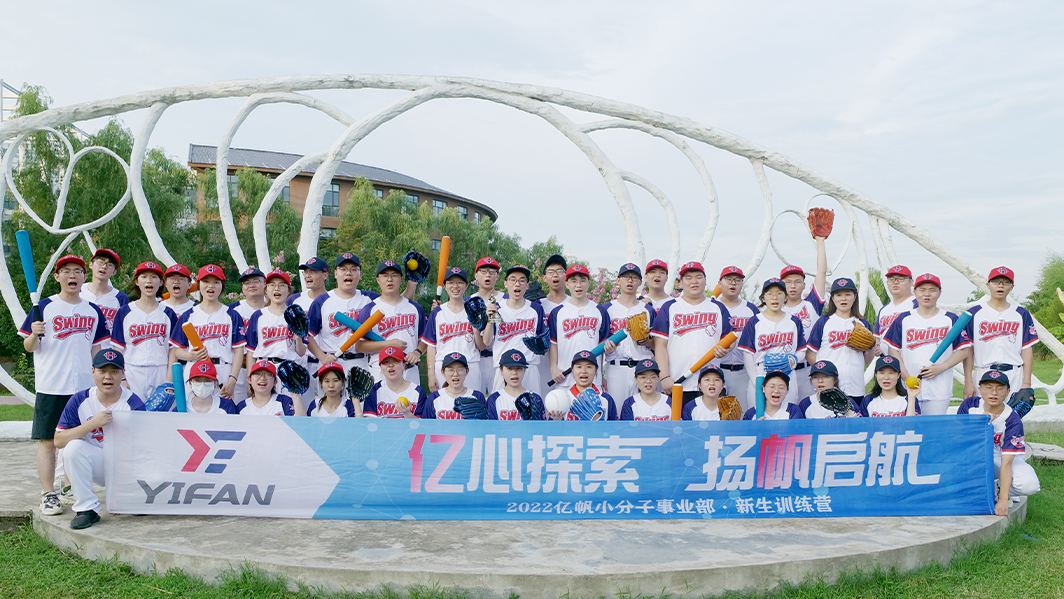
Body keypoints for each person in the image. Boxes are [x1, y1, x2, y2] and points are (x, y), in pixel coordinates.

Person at [19, 254, 109, 517]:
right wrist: (34, 334)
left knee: (77, 439)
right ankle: (48, 494)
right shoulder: (44, 307)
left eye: (78, 271)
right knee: (48, 440)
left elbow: (96, 349)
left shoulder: (92, 310)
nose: (73, 275)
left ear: (84, 277)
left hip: (82, 388)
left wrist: (100, 380)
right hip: (51, 385)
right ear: (57, 276)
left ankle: (70, 486)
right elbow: (28, 347)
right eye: (66, 271)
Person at [53, 349, 145, 529]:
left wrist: (119, 491)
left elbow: (143, 447)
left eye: (114, 371)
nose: (108, 377)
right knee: (73, 448)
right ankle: (87, 509)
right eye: (102, 371)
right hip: (98, 462)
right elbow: (59, 441)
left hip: (125, 465)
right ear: (93, 371)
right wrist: (91, 424)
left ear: (123, 373)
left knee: (139, 508)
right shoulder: (80, 399)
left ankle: (129, 495)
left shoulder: (133, 403)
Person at [885, 273, 971, 415]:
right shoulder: (904, 318)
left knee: (934, 426)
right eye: (922, 290)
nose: (927, 294)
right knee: (909, 425)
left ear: (939, 293)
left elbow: (963, 350)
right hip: (908, 386)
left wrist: (941, 367)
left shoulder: (950, 319)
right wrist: (906, 377)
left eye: (932, 290)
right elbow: (893, 350)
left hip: (939, 387)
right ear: (915, 292)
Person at [958, 369, 1040, 516]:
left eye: (999, 388)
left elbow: (1006, 462)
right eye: (989, 387)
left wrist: (1003, 499)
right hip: (973, 455)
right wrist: (979, 423)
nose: (994, 392)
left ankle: (996, 490)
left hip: (1000, 457)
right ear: (980, 389)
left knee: (1029, 484)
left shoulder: (1012, 419)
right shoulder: (970, 405)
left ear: (1008, 391)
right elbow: (959, 438)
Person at [652, 261, 734, 405]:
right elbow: (660, 345)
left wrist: (726, 350)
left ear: (705, 280)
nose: (694, 281)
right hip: (677, 381)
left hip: (711, 384)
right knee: (677, 420)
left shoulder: (718, 307)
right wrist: (664, 377)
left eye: (698, 277)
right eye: (688, 278)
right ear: (681, 283)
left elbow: (730, 339)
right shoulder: (670, 307)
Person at [171, 265, 245, 400]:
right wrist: (189, 355)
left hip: (222, 369)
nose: (210, 286)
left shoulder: (231, 315)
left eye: (216, 282)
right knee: (193, 410)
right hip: (194, 368)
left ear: (222, 285)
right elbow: (177, 350)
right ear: (199, 284)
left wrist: (232, 379)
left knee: (222, 410)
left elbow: (239, 350)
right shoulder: (189, 315)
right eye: (206, 281)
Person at [962, 266, 1039, 397]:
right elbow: (968, 350)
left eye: (1006, 282)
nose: (1001, 285)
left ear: (1012, 286)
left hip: (1013, 374)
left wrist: (1027, 383)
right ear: (988, 284)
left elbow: (1026, 348)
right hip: (983, 372)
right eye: (996, 281)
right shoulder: (974, 313)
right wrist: (968, 381)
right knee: (981, 410)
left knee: (1012, 411)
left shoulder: (1021, 313)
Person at [307, 253, 380, 385]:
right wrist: (322, 357)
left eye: (353, 269)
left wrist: (411, 284)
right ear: (335, 273)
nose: (348, 273)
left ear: (360, 274)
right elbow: (308, 335)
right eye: (343, 269)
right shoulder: (322, 301)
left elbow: (396, 302)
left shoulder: (370, 299)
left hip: (360, 362)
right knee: (329, 399)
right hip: (331, 362)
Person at [110, 261, 179, 400]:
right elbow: (118, 349)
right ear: (137, 281)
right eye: (144, 277)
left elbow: (173, 350)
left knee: (161, 411)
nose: (149, 281)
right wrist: (122, 378)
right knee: (132, 410)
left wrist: (169, 380)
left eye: (154, 277)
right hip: (132, 371)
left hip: (160, 370)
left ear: (161, 282)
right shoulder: (124, 312)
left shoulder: (168, 313)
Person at [737, 278, 806, 408]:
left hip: (787, 372)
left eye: (779, 293)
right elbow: (747, 354)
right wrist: (756, 380)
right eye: (770, 293)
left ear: (786, 297)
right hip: (761, 371)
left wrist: (794, 359)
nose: (775, 297)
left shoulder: (794, 321)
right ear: (763, 298)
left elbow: (802, 350)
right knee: (758, 414)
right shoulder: (754, 321)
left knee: (787, 412)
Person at [355, 260, 426, 385]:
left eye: (394, 275)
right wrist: (389, 344)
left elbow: (425, 339)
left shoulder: (415, 308)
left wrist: (417, 352)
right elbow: (359, 346)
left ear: (401, 279)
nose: (389, 279)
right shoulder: (369, 310)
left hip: (410, 370)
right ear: (378, 280)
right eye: (385, 276)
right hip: (381, 371)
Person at [805, 278, 876, 401]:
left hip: (855, 385)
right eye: (838, 295)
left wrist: (871, 348)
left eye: (848, 294)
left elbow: (866, 359)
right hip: (829, 387)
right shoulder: (824, 321)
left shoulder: (863, 323)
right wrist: (822, 372)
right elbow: (809, 353)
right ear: (832, 298)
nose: (843, 299)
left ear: (855, 297)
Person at [484, 264, 547, 394]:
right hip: (504, 367)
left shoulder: (536, 309)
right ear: (505, 284)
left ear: (527, 285)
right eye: (513, 280)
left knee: (532, 405)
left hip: (529, 366)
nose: (517, 284)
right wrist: (489, 319)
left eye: (522, 280)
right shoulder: (496, 308)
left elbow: (543, 343)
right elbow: (486, 341)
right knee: (501, 405)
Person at [423, 267, 487, 393]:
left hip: (469, 365)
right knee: (444, 404)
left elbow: (482, 346)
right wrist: (430, 374)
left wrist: (475, 330)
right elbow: (431, 346)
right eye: (451, 282)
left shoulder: (475, 311)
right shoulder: (437, 312)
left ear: (466, 285)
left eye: (459, 282)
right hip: (443, 367)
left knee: (471, 403)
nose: (455, 286)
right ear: (445, 286)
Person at [244, 269, 307, 396]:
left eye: (281, 285)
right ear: (266, 290)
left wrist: (298, 338)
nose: (276, 288)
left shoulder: (296, 314)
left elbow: (301, 352)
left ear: (289, 290)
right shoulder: (258, 315)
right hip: (264, 368)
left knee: (289, 406)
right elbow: (251, 351)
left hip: (289, 368)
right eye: (272, 285)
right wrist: (249, 379)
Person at [780, 234, 827, 398]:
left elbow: (821, 272)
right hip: (785, 370)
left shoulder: (811, 304)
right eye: (787, 282)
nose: (792, 286)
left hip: (809, 369)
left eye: (797, 281)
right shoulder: (776, 311)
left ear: (804, 285)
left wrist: (820, 241)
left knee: (811, 408)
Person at [548, 264, 609, 388]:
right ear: (567, 284)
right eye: (574, 281)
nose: (578, 285)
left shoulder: (600, 311)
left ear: (589, 283)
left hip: (592, 378)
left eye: (582, 280)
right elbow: (553, 343)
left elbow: (602, 347)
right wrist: (554, 368)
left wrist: (601, 374)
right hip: (564, 376)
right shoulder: (557, 312)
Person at [602, 263, 657, 401]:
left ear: (640, 282)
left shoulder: (648, 310)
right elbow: (600, 340)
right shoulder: (607, 309)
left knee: (642, 409)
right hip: (616, 367)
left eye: (634, 277)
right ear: (618, 280)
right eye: (626, 277)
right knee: (616, 409)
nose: (630, 280)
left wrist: (646, 341)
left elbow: (658, 344)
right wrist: (607, 348)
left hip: (643, 368)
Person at [714, 266, 759, 411]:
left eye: (738, 280)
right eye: (729, 279)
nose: (733, 283)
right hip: (716, 370)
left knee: (742, 413)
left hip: (743, 372)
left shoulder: (751, 309)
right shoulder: (711, 307)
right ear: (719, 283)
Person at [289, 257, 330, 399]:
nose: (307, 276)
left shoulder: (333, 299)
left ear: (325, 275)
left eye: (312, 272)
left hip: (326, 360)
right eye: (305, 272)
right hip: (302, 362)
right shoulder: (294, 300)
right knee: (303, 407)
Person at [229, 267, 267, 404]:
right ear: (242, 289)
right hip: (238, 369)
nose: (251, 285)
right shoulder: (231, 310)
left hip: (266, 369)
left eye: (256, 281)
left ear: (265, 285)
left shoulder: (274, 309)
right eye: (246, 282)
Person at [533, 255, 570, 395]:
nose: (555, 275)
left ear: (565, 276)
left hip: (568, 359)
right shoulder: (537, 305)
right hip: (543, 362)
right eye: (551, 271)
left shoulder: (573, 303)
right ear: (544, 278)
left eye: (559, 271)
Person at [547, 350, 618, 421]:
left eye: (589, 367)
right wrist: (557, 420)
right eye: (579, 367)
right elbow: (551, 427)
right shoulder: (562, 399)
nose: (583, 371)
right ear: (572, 370)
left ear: (596, 371)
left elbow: (615, 426)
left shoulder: (606, 399)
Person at [363, 347, 426, 418]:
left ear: (404, 365)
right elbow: (370, 422)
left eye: (395, 361)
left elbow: (421, 424)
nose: (390, 365)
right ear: (381, 368)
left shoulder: (418, 392)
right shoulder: (373, 390)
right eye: (386, 362)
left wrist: (407, 413)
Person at [422, 352, 488, 419]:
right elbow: (427, 424)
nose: (455, 374)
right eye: (451, 370)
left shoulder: (477, 396)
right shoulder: (434, 398)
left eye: (460, 369)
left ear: (467, 371)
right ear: (443, 372)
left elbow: (485, 423)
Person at [469, 256, 502, 391]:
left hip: (498, 359)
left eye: (492, 271)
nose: (488, 275)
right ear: (476, 275)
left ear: (497, 275)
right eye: (483, 271)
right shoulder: (468, 302)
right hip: (475, 359)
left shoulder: (506, 300)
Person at [80, 248, 128, 340]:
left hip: (107, 347)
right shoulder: (78, 291)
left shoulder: (120, 298)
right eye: (100, 261)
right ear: (91, 264)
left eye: (110, 265)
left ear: (114, 272)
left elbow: (122, 330)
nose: (104, 266)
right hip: (81, 345)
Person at [487, 349, 542, 420]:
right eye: (509, 368)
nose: (514, 373)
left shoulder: (535, 398)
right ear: (501, 370)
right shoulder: (494, 399)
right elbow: (491, 426)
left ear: (524, 370)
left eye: (519, 368)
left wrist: (554, 418)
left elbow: (543, 425)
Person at [873, 265, 916, 356]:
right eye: (891, 279)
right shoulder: (884, 310)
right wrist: (878, 349)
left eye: (901, 279)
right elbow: (878, 337)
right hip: (887, 361)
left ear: (911, 282)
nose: (895, 282)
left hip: (909, 358)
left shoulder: (917, 305)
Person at [798, 360, 862, 418]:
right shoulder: (806, 403)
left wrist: (850, 414)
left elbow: (862, 423)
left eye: (825, 376)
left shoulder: (847, 401)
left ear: (835, 380)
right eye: (815, 377)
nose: (820, 381)